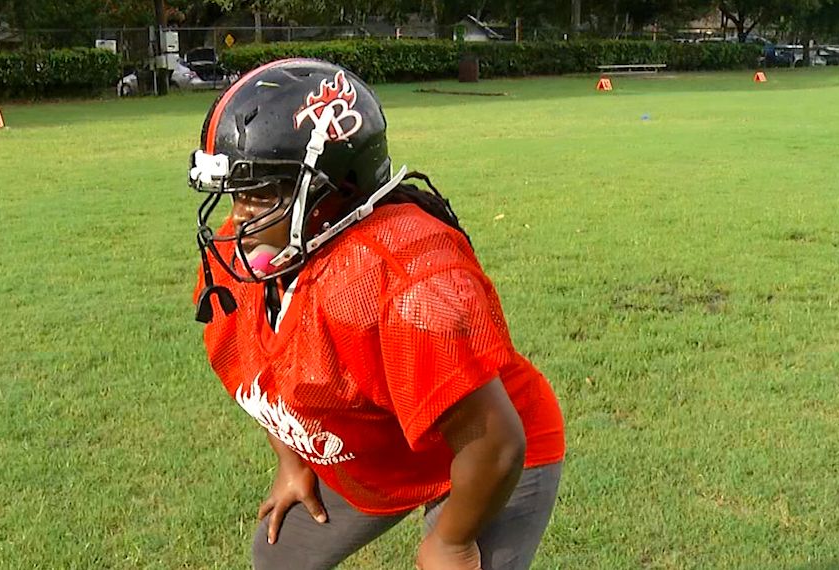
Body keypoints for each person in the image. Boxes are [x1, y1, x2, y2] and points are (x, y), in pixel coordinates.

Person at [189, 58, 565, 570]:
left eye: (259, 196)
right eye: (235, 194)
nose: (237, 217)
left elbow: (495, 442)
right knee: (280, 556)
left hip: (483, 454)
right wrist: (291, 461)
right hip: (386, 451)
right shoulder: (238, 269)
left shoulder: (401, 280)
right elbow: (259, 377)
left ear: (331, 189)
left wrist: (451, 539)